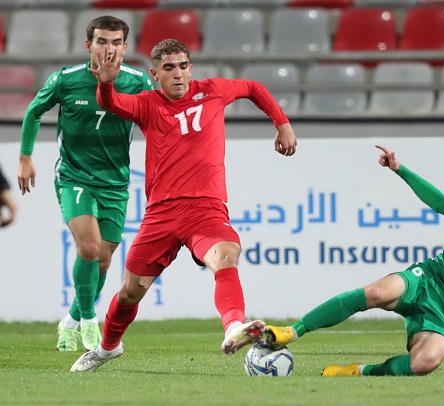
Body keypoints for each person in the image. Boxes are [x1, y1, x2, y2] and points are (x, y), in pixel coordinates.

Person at [70, 39, 298, 372]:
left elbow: (252, 87)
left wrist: (282, 122)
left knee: (225, 256)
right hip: (161, 213)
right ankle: (107, 348)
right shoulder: (147, 104)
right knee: (130, 293)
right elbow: (113, 102)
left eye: (182, 66)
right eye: (168, 68)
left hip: (206, 209)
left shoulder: (213, 91)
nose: (177, 74)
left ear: (191, 68)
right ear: (155, 74)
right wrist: (105, 84)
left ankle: (234, 326)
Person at [263, 144, 444, 377]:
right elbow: (441, 203)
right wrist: (399, 170)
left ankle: (359, 371)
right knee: (374, 293)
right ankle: (291, 332)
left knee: (425, 363)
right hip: (427, 278)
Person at [17, 16, 153, 353]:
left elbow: (157, 123)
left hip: (115, 183)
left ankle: (71, 321)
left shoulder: (138, 82)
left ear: (125, 47)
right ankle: (91, 320)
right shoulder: (66, 79)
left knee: (103, 261)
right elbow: (34, 111)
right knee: (89, 248)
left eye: (116, 42)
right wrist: (25, 157)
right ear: (88, 45)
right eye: (102, 41)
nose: (109, 49)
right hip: (73, 176)